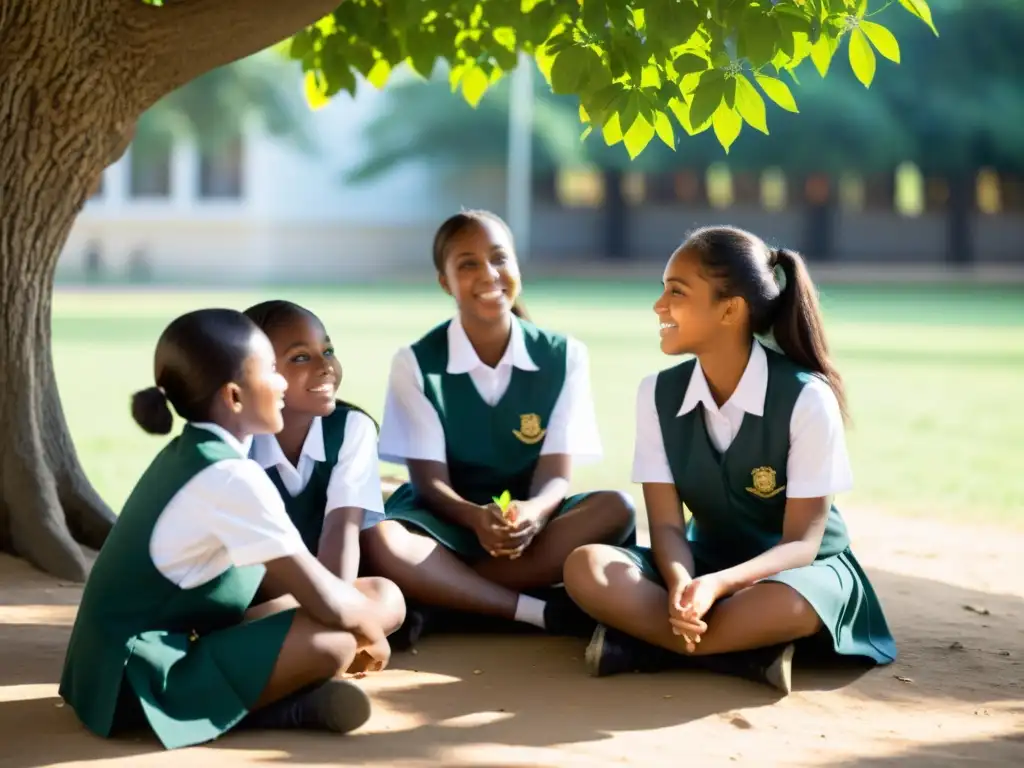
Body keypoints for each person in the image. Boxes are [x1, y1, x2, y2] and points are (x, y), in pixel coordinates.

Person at [562, 226, 897, 694]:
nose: (659, 306)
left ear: (730, 309)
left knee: (794, 606)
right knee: (587, 567)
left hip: (798, 572)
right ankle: (743, 655)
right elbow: (666, 528)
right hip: (702, 563)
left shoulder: (806, 399)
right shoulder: (655, 394)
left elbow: (802, 543)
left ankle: (650, 645)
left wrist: (717, 587)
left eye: (676, 292)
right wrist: (682, 583)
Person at [59, 309, 403, 750]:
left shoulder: (198, 452)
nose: (281, 383)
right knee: (334, 641)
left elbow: (327, 589)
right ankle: (283, 710)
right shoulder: (230, 478)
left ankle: (269, 693)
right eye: (271, 373)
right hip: (140, 675)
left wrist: (363, 616)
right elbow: (326, 600)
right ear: (234, 397)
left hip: (175, 641)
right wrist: (368, 632)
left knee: (377, 595)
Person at [371, 209, 636, 646]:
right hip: (444, 522)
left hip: (527, 528)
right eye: (467, 264)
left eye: (499, 259)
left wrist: (532, 513)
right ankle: (534, 612)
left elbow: (555, 475)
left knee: (616, 508)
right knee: (383, 541)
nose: (488, 274)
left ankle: (441, 597)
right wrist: (476, 517)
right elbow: (428, 484)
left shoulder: (565, 355)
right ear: (445, 283)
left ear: (516, 266)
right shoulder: (416, 363)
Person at [243, 300, 404, 634]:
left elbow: (340, 533)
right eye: (301, 357)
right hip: (247, 593)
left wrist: (331, 610)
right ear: (253, 375)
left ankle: (262, 633)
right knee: (350, 624)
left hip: (323, 588)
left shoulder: (352, 429)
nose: (325, 366)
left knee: (388, 596)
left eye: (328, 351)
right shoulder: (240, 444)